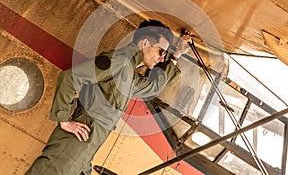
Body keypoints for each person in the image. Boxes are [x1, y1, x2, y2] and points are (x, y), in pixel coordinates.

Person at [25, 19, 189, 175]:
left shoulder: (129, 72)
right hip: (76, 141)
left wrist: (175, 57)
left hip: (87, 147)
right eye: (161, 52)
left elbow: (153, 87)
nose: (161, 58)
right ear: (145, 43)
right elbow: (70, 77)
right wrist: (63, 120)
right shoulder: (119, 60)